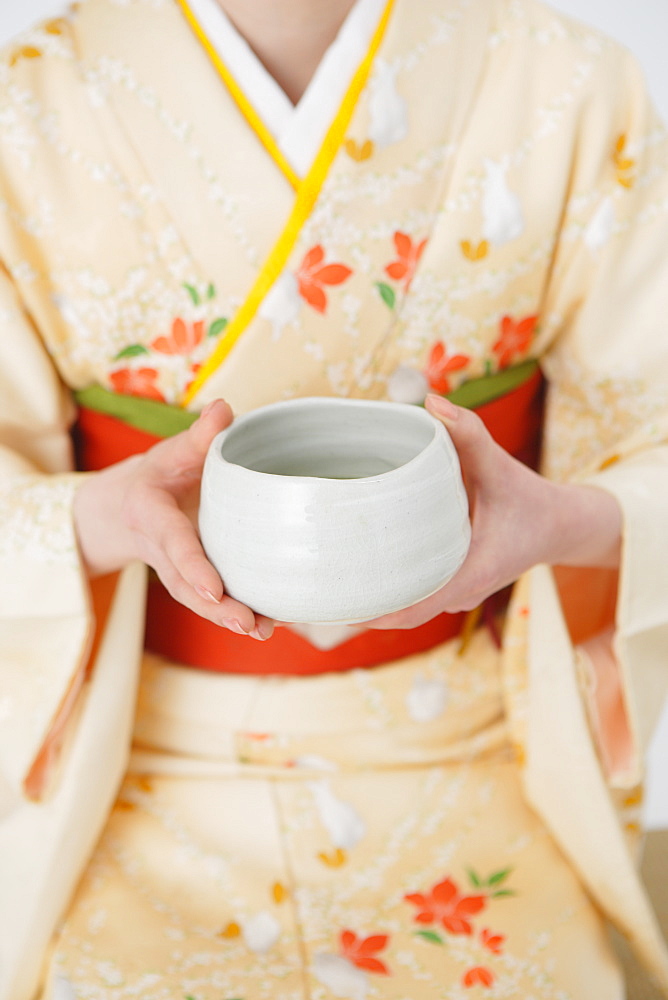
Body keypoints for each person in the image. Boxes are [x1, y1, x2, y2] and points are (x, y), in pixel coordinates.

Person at [0, 0, 667, 996]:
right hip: (135, 759)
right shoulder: (30, 103)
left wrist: (560, 521)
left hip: (467, 746)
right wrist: (97, 517)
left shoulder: (565, 85)